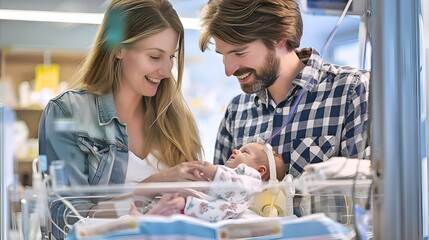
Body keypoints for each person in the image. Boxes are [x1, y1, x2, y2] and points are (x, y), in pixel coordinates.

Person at [38, 0, 205, 237]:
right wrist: (152, 185)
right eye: (155, 57)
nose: (167, 71)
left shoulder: (178, 119)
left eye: (171, 57)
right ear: (118, 49)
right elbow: (67, 222)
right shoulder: (68, 111)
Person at [198, 0, 370, 220]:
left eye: (239, 53)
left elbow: (374, 204)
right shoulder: (236, 112)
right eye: (223, 55)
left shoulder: (352, 91)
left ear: (279, 37)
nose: (228, 69)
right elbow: (218, 204)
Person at [129, 142, 286, 222]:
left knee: (177, 204)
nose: (235, 150)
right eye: (239, 148)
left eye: (245, 152)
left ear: (261, 171)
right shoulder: (229, 172)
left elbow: (234, 186)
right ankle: (145, 219)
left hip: (208, 210)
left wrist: (214, 172)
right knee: (172, 202)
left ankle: (146, 219)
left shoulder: (251, 179)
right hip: (201, 202)